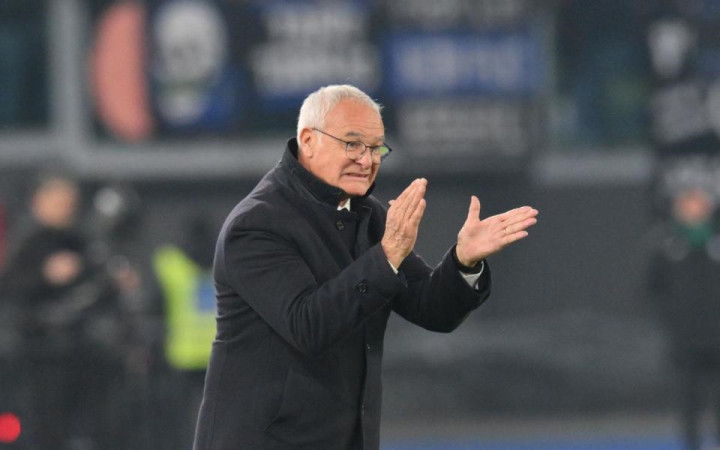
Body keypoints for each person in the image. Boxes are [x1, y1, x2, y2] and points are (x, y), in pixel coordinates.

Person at [192, 84, 539, 450]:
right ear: (308, 140)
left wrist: (463, 261)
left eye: (376, 148)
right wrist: (386, 256)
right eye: (353, 144)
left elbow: (430, 307)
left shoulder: (367, 215)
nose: (366, 160)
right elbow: (308, 325)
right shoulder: (257, 225)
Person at [649, 186, 720, 450]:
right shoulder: (666, 244)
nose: (693, 209)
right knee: (689, 399)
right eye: (687, 204)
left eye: (698, 203)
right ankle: (692, 445)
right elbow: (652, 288)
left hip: (718, 335)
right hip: (685, 338)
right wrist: (672, 319)